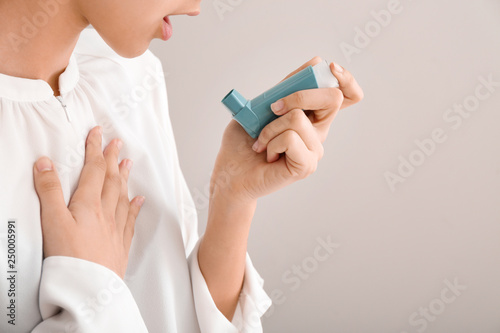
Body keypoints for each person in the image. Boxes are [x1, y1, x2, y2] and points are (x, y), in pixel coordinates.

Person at [0, 0, 363, 332]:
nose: (196, 7)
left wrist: (233, 197)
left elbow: (174, 313)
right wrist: (96, 290)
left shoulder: (131, 77)